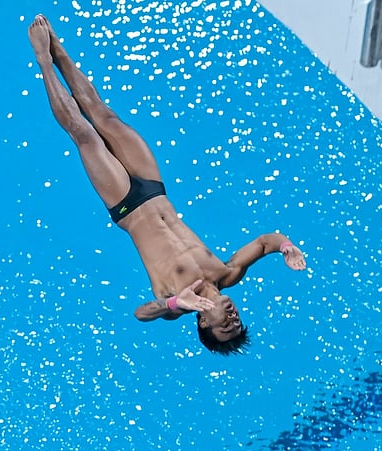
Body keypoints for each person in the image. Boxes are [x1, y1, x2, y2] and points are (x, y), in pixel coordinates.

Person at [28, 15, 307, 355]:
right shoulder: (228, 273)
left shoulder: (176, 301)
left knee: (85, 135)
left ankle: (43, 59)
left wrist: (176, 301)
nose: (232, 318)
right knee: (104, 115)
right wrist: (287, 246)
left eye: (224, 325)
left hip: (127, 205)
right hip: (154, 189)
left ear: (204, 322)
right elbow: (264, 243)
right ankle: (58, 48)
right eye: (237, 322)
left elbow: (141, 313)